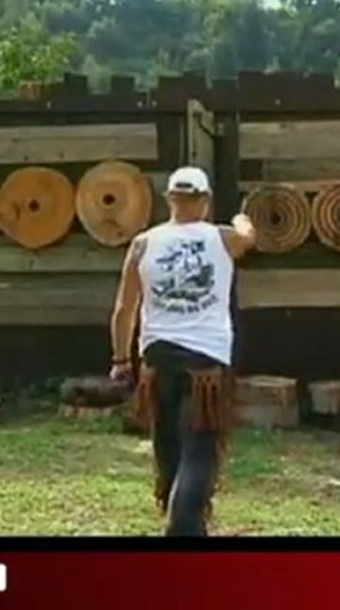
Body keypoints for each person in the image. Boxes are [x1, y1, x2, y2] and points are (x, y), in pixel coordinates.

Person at [109, 166, 256, 536]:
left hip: (156, 360)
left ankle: (188, 525)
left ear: (170, 200)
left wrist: (120, 360)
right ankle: (183, 529)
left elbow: (124, 309)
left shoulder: (143, 243)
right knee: (199, 451)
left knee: (168, 445)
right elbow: (249, 237)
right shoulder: (223, 238)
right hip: (205, 361)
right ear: (204, 201)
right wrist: (241, 217)